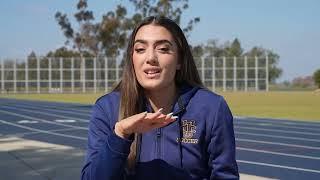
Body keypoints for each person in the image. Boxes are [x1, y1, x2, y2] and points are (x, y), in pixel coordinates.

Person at [81, 16, 239, 180]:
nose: (150, 58)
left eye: (163, 49)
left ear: (180, 60)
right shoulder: (107, 108)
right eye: (140, 49)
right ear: (132, 58)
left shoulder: (211, 108)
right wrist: (120, 134)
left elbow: (225, 175)